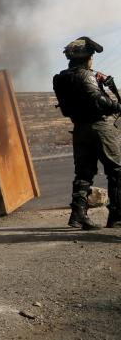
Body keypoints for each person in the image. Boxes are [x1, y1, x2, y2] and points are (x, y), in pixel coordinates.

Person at [51, 36, 121, 230]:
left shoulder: (61, 78)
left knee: (83, 172)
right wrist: (117, 105)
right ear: (86, 57)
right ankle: (117, 217)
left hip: (80, 128)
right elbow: (98, 101)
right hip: (99, 127)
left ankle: (78, 215)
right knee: (117, 171)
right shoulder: (85, 76)